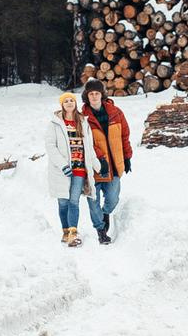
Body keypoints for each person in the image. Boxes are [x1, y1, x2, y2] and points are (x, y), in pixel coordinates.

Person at [79, 81, 133, 243]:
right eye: (91, 94)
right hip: (93, 166)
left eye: (97, 93)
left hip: (114, 165)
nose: (94, 96)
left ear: (102, 94)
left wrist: (127, 157)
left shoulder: (116, 113)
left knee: (113, 198)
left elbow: (124, 136)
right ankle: (101, 230)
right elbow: (83, 142)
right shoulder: (82, 118)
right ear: (86, 96)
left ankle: (106, 213)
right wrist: (100, 157)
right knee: (93, 200)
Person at [46, 90, 90, 247]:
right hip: (61, 170)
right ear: (62, 105)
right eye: (66, 101)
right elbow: (50, 147)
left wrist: (96, 165)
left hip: (79, 169)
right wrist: (63, 165)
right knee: (63, 202)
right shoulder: (55, 124)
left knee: (74, 201)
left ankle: (73, 233)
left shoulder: (83, 122)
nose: (69, 103)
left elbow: (89, 146)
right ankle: (65, 231)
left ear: (75, 103)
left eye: (72, 100)